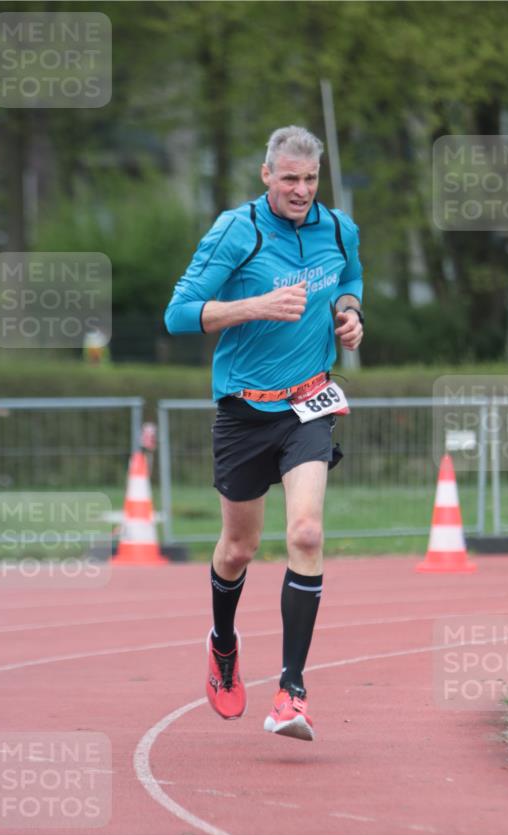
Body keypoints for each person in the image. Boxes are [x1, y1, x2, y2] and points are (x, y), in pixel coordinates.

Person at [165, 125, 363, 741]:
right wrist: (255, 306)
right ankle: (223, 644)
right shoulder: (237, 231)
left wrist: (350, 314)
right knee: (238, 549)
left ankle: (291, 692)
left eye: (311, 179)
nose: (301, 190)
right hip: (244, 411)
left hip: (309, 403)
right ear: (266, 175)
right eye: (290, 178)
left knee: (306, 532)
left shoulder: (339, 228)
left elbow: (350, 280)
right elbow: (178, 314)